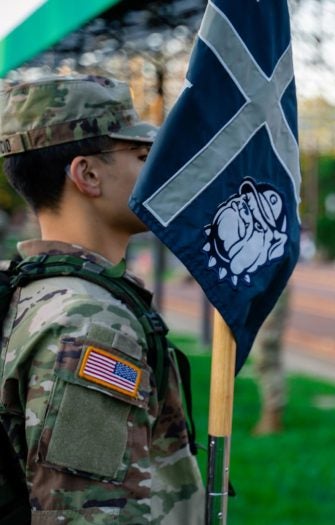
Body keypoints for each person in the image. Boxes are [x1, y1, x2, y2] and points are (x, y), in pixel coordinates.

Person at [0, 75, 202, 522]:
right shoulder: (92, 322)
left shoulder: (31, 290)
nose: (158, 168)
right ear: (87, 175)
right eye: (142, 156)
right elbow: (88, 513)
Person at [252, 287, 290, 435]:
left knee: (266, 351)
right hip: (252, 280)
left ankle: (273, 414)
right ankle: (272, 411)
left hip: (270, 279)